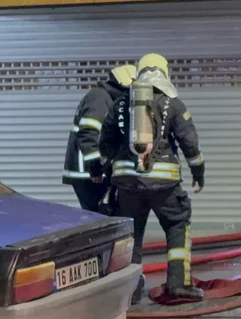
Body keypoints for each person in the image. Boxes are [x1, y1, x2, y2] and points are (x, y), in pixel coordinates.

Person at [100, 53, 206, 303]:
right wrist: (198, 173)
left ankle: (131, 291)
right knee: (177, 224)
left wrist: (111, 171)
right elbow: (190, 143)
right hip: (164, 185)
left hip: (127, 185)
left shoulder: (121, 104)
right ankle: (178, 284)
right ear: (165, 72)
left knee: (131, 235)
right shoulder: (173, 103)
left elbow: (105, 142)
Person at [62, 64, 136, 213]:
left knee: (105, 216)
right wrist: (95, 167)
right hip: (89, 174)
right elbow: (88, 133)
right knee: (102, 217)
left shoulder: (108, 98)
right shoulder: (100, 98)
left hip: (95, 173)